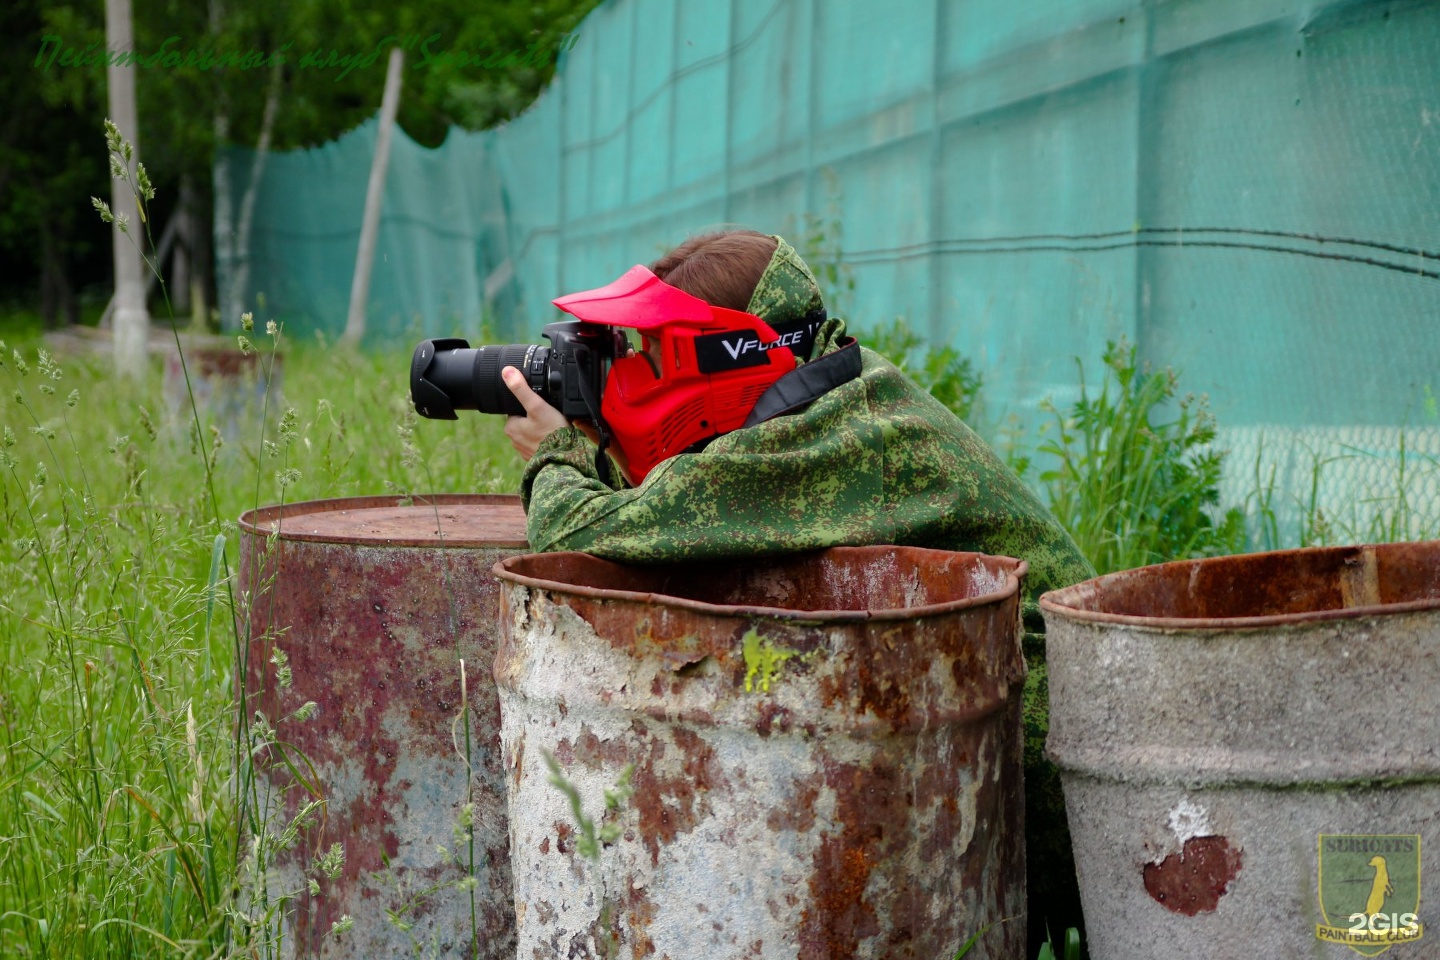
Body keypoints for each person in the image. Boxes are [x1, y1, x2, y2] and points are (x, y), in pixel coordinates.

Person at [500, 228, 1095, 944]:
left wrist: (559, 452)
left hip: (1053, 769)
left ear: (724, 355)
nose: (634, 377)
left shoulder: (816, 437)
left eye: (653, 358)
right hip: (1036, 724)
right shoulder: (840, 390)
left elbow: (583, 541)